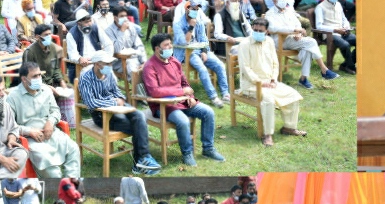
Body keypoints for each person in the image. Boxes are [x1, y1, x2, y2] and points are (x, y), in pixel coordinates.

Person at [141, 34, 226, 165]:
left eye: (170, 44)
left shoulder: (174, 61)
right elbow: (154, 91)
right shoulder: (149, 66)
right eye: (166, 45)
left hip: (182, 101)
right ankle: (187, 153)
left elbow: (184, 83)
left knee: (208, 112)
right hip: (163, 106)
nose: (170, 47)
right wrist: (181, 92)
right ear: (157, 49)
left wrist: (190, 97)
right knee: (183, 121)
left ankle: (208, 149)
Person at [77, 50, 162, 175]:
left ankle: (142, 159)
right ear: (97, 64)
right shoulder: (85, 78)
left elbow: (116, 91)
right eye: (107, 64)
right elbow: (91, 103)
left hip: (118, 107)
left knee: (139, 116)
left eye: (110, 63)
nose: (110, 66)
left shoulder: (109, 74)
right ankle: (141, 161)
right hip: (102, 115)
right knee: (138, 127)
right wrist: (114, 102)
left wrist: (120, 99)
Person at [236, 14, 306, 145]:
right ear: (252, 28)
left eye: (260, 31)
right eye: (255, 30)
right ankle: (267, 134)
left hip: (270, 82)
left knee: (293, 94)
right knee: (268, 100)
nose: (257, 32)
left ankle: (289, 128)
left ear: (267, 31)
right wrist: (260, 82)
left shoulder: (269, 41)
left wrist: (273, 80)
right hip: (251, 85)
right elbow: (245, 68)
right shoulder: (244, 44)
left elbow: (275, 63)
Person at [5, 60, 80, 178]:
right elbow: (8, 125)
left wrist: (50, 122)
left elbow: (55, 110)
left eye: (39, 75)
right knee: (52, 171)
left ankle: (72, 184)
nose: (39, 78)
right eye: (34, 76)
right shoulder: (13, 97)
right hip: (30, 139)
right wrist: (29, 131)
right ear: (24, 79)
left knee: (73, 149)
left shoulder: (46, 90)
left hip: (51, 132)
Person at [265, 0, 337, 87]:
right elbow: (273, 28)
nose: (284, 0)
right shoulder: (270, 14)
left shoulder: (288, 11)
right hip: (280, 41)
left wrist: (299, 33)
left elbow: (297, 24)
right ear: (274, 1)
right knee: (311, 42)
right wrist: (294, 30)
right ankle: (324, 69)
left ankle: (303, 79)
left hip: (293, 39)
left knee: (307, 49)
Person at [313, 0, 355, 71]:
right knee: (345, 45)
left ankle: (345, 65)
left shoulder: (338, 4)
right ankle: (351, 67)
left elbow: (344, 19)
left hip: (343, 32)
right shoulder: (320, 7)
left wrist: (346, 27)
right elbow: (319, 26)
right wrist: (335, 30)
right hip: (330, 34)